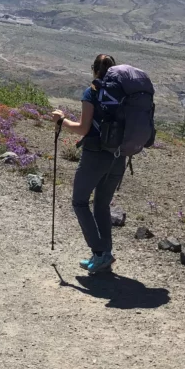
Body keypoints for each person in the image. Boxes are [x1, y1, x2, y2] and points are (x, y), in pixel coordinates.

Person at [52, 54, 126, 274]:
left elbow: (84, 129)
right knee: (102, 205)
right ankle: (104, 254)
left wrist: (61, 121)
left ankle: (100, 252)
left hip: (95, 155)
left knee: (80, 202)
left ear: (93, 70)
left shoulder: (91, 92)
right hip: (119, 156)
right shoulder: (124, 94)